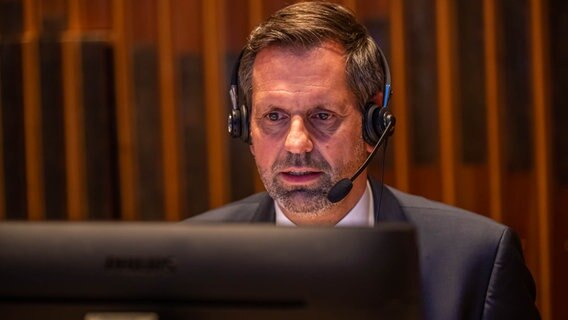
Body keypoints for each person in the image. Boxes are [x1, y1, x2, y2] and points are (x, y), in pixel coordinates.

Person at [188, 2, 540, 319]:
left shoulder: (475, 262)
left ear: (374, 127)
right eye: (274, 117)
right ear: (244, 128)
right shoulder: (192, 260)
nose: (297, 143)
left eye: (323, 116)